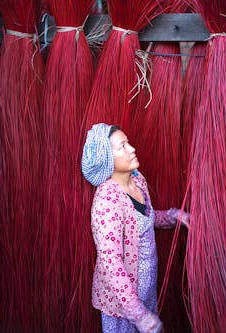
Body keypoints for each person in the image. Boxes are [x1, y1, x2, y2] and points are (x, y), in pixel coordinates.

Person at [81, 123, 188, 333]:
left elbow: (144, 220)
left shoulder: (138, 181)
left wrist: (173, 216)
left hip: (146, 290)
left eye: (128, 142)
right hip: (123, 306)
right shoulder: (107, 200)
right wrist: (137, 313)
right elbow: (111, 262)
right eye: (122, 146)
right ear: (107, 158)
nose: (132, 149)